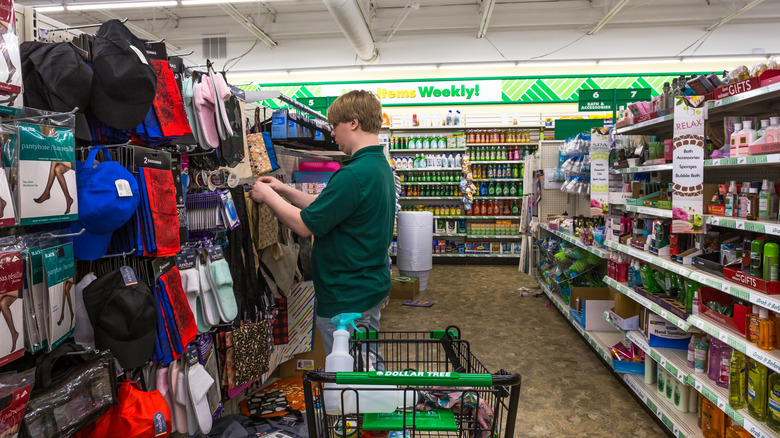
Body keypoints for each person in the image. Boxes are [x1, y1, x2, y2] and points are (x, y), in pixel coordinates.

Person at [250, 90, 395, 359]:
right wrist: (284, 190)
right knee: (367, 367)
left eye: (334, 126)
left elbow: (305, 226)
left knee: (351, 380)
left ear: (353, 122)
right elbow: (328, 205)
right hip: (367, 287)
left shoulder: (353, 174)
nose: (332, 134)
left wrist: (268, 196)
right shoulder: (376, 166)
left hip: (347, 297)